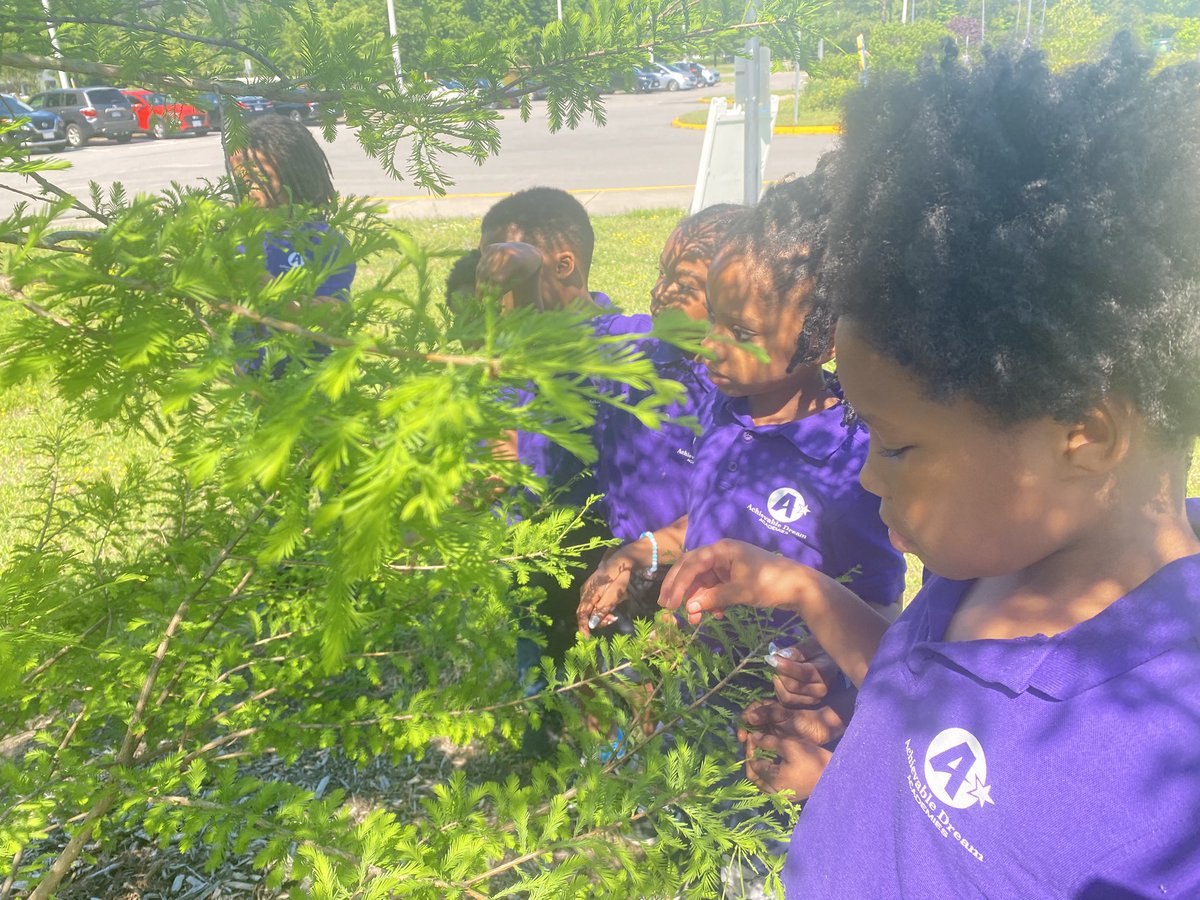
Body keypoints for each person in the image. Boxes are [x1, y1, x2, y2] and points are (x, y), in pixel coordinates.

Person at [661, 40, 1200, 897]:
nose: (871, 477)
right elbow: (940, 698)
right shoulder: (996, 561)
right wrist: (849, 772)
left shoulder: (1165, 780)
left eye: (900, 446)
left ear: (1085, 434)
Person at [581, 203, 750, 633]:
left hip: (688, 581)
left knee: (655, 690)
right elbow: (574, 320)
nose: (661, 291)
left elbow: (724, 511)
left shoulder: (736, 391)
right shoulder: (638, 345)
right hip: (616, 561)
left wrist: (639, 555)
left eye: (684, 284)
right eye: (662, 273)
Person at [228, 115, 355, 373]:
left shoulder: (324, 242)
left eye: (253, 172)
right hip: (248, 386)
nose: (244, 183)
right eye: (237, 174)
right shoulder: (235, 237)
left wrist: (271, 290)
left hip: (307, 382)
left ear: (291, 169)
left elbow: (333, 317)